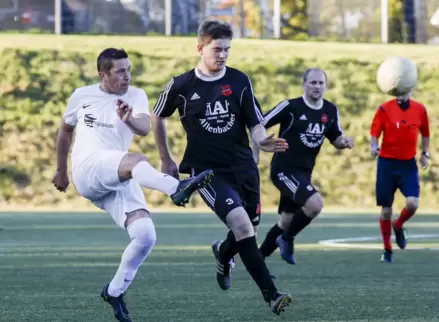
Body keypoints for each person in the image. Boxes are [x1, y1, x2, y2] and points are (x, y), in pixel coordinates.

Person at [52, 48, 213, 322]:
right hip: (88, 169)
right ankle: (177, 188)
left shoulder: (136, 95)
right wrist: (60, 170)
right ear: (103, 75)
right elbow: (66, 129)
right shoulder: (81, 95)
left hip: (118, 174)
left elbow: (143, 127)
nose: (126, 76)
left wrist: (128, 118)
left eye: (128, 70)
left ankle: (114, 291)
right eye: (119, 71)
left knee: (145, 235)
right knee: (135, 160)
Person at [151, 20, 292, 315]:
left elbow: (255, 123)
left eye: (228, 49)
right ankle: (272, 294)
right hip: (209, 174)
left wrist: (263, 141)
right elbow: (157, 116)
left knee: (248, 230)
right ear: (200, 48)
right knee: (242, 225)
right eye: (217, 49)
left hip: (243, 168)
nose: (223, 55)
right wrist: (166, 158)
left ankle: (223, 252)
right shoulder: (181, 85)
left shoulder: (240, 81)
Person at [254, 68, 354, 265]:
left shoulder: (330, 111)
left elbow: (336, 138)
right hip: (283, 171)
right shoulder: (290, 107)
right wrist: (255, 152)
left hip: (303, 174)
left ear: (325, 86)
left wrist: (345, 142)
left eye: (320, 83)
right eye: (313, 82)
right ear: (304, 85)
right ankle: (287, 239)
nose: (317, 86)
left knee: (285, 222)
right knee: (315, 205)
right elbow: (258, 123)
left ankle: (256, 262)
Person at [370, 90, 430, 263]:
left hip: (408, 164)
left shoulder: (420, 109)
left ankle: (398, 225)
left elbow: (425, 134)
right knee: (386, 210)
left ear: (410, 88)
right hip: (387, 164)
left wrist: (425, 153)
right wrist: (374, 147)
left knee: (412, 203)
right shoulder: (384, 109)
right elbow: (374, 134)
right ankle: (387, 249)